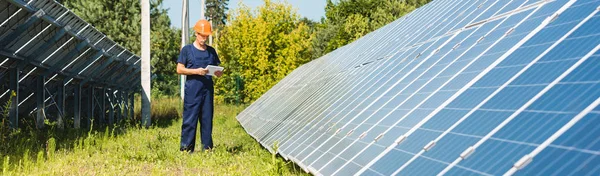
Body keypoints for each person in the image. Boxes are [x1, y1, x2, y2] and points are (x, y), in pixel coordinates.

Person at [177, 19, 223, 152]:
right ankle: (186, 149)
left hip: (207, 90)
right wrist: (196, 71)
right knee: (190, 120)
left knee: (207, 120)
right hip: (192, 90)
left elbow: (216, 68)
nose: (204, 38)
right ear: (196, 33)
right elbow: (179, 69)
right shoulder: (187, 50)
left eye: (206, 36)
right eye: (202, 35)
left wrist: (218, 73)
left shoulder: (211, 51)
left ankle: (207, 149)